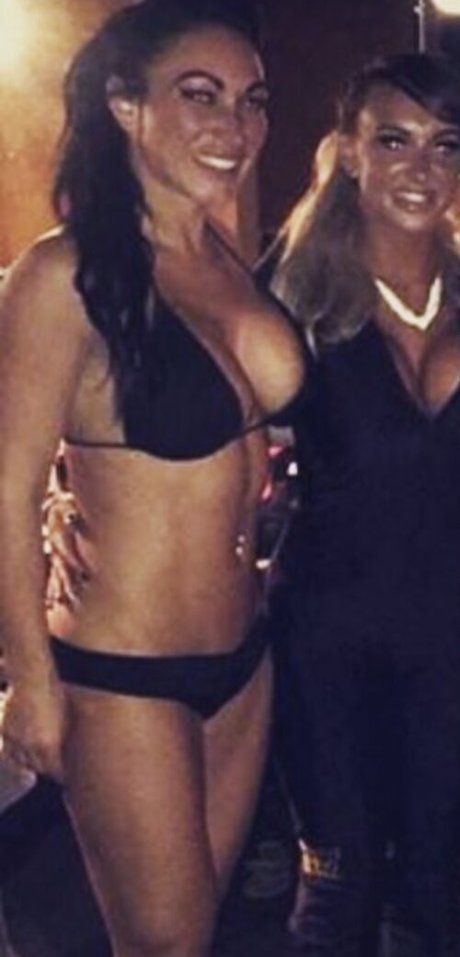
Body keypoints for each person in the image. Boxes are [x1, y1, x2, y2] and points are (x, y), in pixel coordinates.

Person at [0, 2, 305, 955]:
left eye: (253, 100)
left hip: (243, 661)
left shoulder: (224, 259)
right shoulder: (63, 276)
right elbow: (7, 488)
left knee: (192, 937)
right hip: (125, 676)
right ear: (126, 106)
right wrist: (29, 679)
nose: (237, 125)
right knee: (166, 944)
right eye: (201, 95)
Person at [270, 52, 460, 956]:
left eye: (445, 145)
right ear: (349, 151)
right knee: (337, 895)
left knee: (439, 888)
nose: (422, 167)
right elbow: (182, 421)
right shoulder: (288, 296)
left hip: (450, 641)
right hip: (328, 642)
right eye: (394, 140)